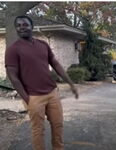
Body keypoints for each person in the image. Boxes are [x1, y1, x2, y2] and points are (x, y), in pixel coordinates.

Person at [5, 15, 79, 150]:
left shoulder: (43, 44)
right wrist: (27, 99)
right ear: (16, 28)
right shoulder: (13, 49)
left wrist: (70, 83)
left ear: (31, 27)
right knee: (38, 130)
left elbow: (55, 64)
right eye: (19, 26)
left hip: (52, 93)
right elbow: (12, 76)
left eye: (25, 25)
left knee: (58, 125)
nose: (22, 28)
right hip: (33, 96)